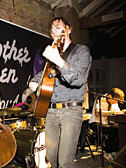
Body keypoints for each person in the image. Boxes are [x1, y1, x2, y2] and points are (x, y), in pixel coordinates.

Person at [29, 17, 92, 168]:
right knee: (51, 157)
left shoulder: (81, 51)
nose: (53, 30)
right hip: (51, 111)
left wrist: (58, 60)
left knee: (65, 162)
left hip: (70, 111)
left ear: (68, 30)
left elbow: (78, 79)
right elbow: (46, 73)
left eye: (58, 27)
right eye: (52, 29)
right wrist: (35, 80)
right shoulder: (54, 54)